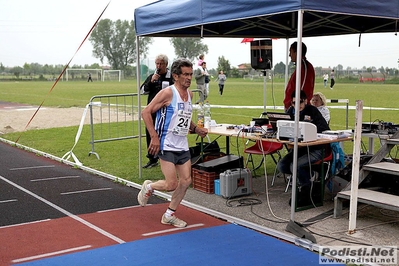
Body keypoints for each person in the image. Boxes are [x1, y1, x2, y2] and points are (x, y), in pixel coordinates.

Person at [139, 58, 208, 228]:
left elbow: (185, 117)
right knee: (171, 184)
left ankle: (169, 215)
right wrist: (154, 137)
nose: (189, 78)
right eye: (185, 74)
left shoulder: (190, 94)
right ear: (176, 76)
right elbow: (146, 112)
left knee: (185, 181)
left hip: (182, 144)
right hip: (166, 143)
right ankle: (149, 187)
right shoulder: (168, 93)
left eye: (191, 74)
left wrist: (196, 129)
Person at [277, 90, 330, 205]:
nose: (297, 106)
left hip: (316, 149)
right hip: (300, 149)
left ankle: (306, 191)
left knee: (295, 166)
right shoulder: (291, 111)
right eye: (294, 103)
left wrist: (308, 131)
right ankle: (306, 176)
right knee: (282, 166)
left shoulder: (313, 111)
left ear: (305, 101)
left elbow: (325, 128)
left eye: (300, 102)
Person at [140, 54, 174, 168]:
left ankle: (169, 157)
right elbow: (142, 90)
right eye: (157, 63)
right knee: (151, 134)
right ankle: (152, 158)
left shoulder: (172, 78)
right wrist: (151, 82)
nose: (158, 66)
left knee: (167, 135)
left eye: (161, 64)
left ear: (166, 64)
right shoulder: (152, 76)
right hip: (153, 112)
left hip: (167, 112)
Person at [283, 42, 315, 112]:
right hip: (294, 106)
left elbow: (304, 88)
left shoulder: (304, 67)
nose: (289, 55)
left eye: (290, 52)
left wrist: (295, 105)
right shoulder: (301, 66)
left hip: (297, 108)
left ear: (296, 52)